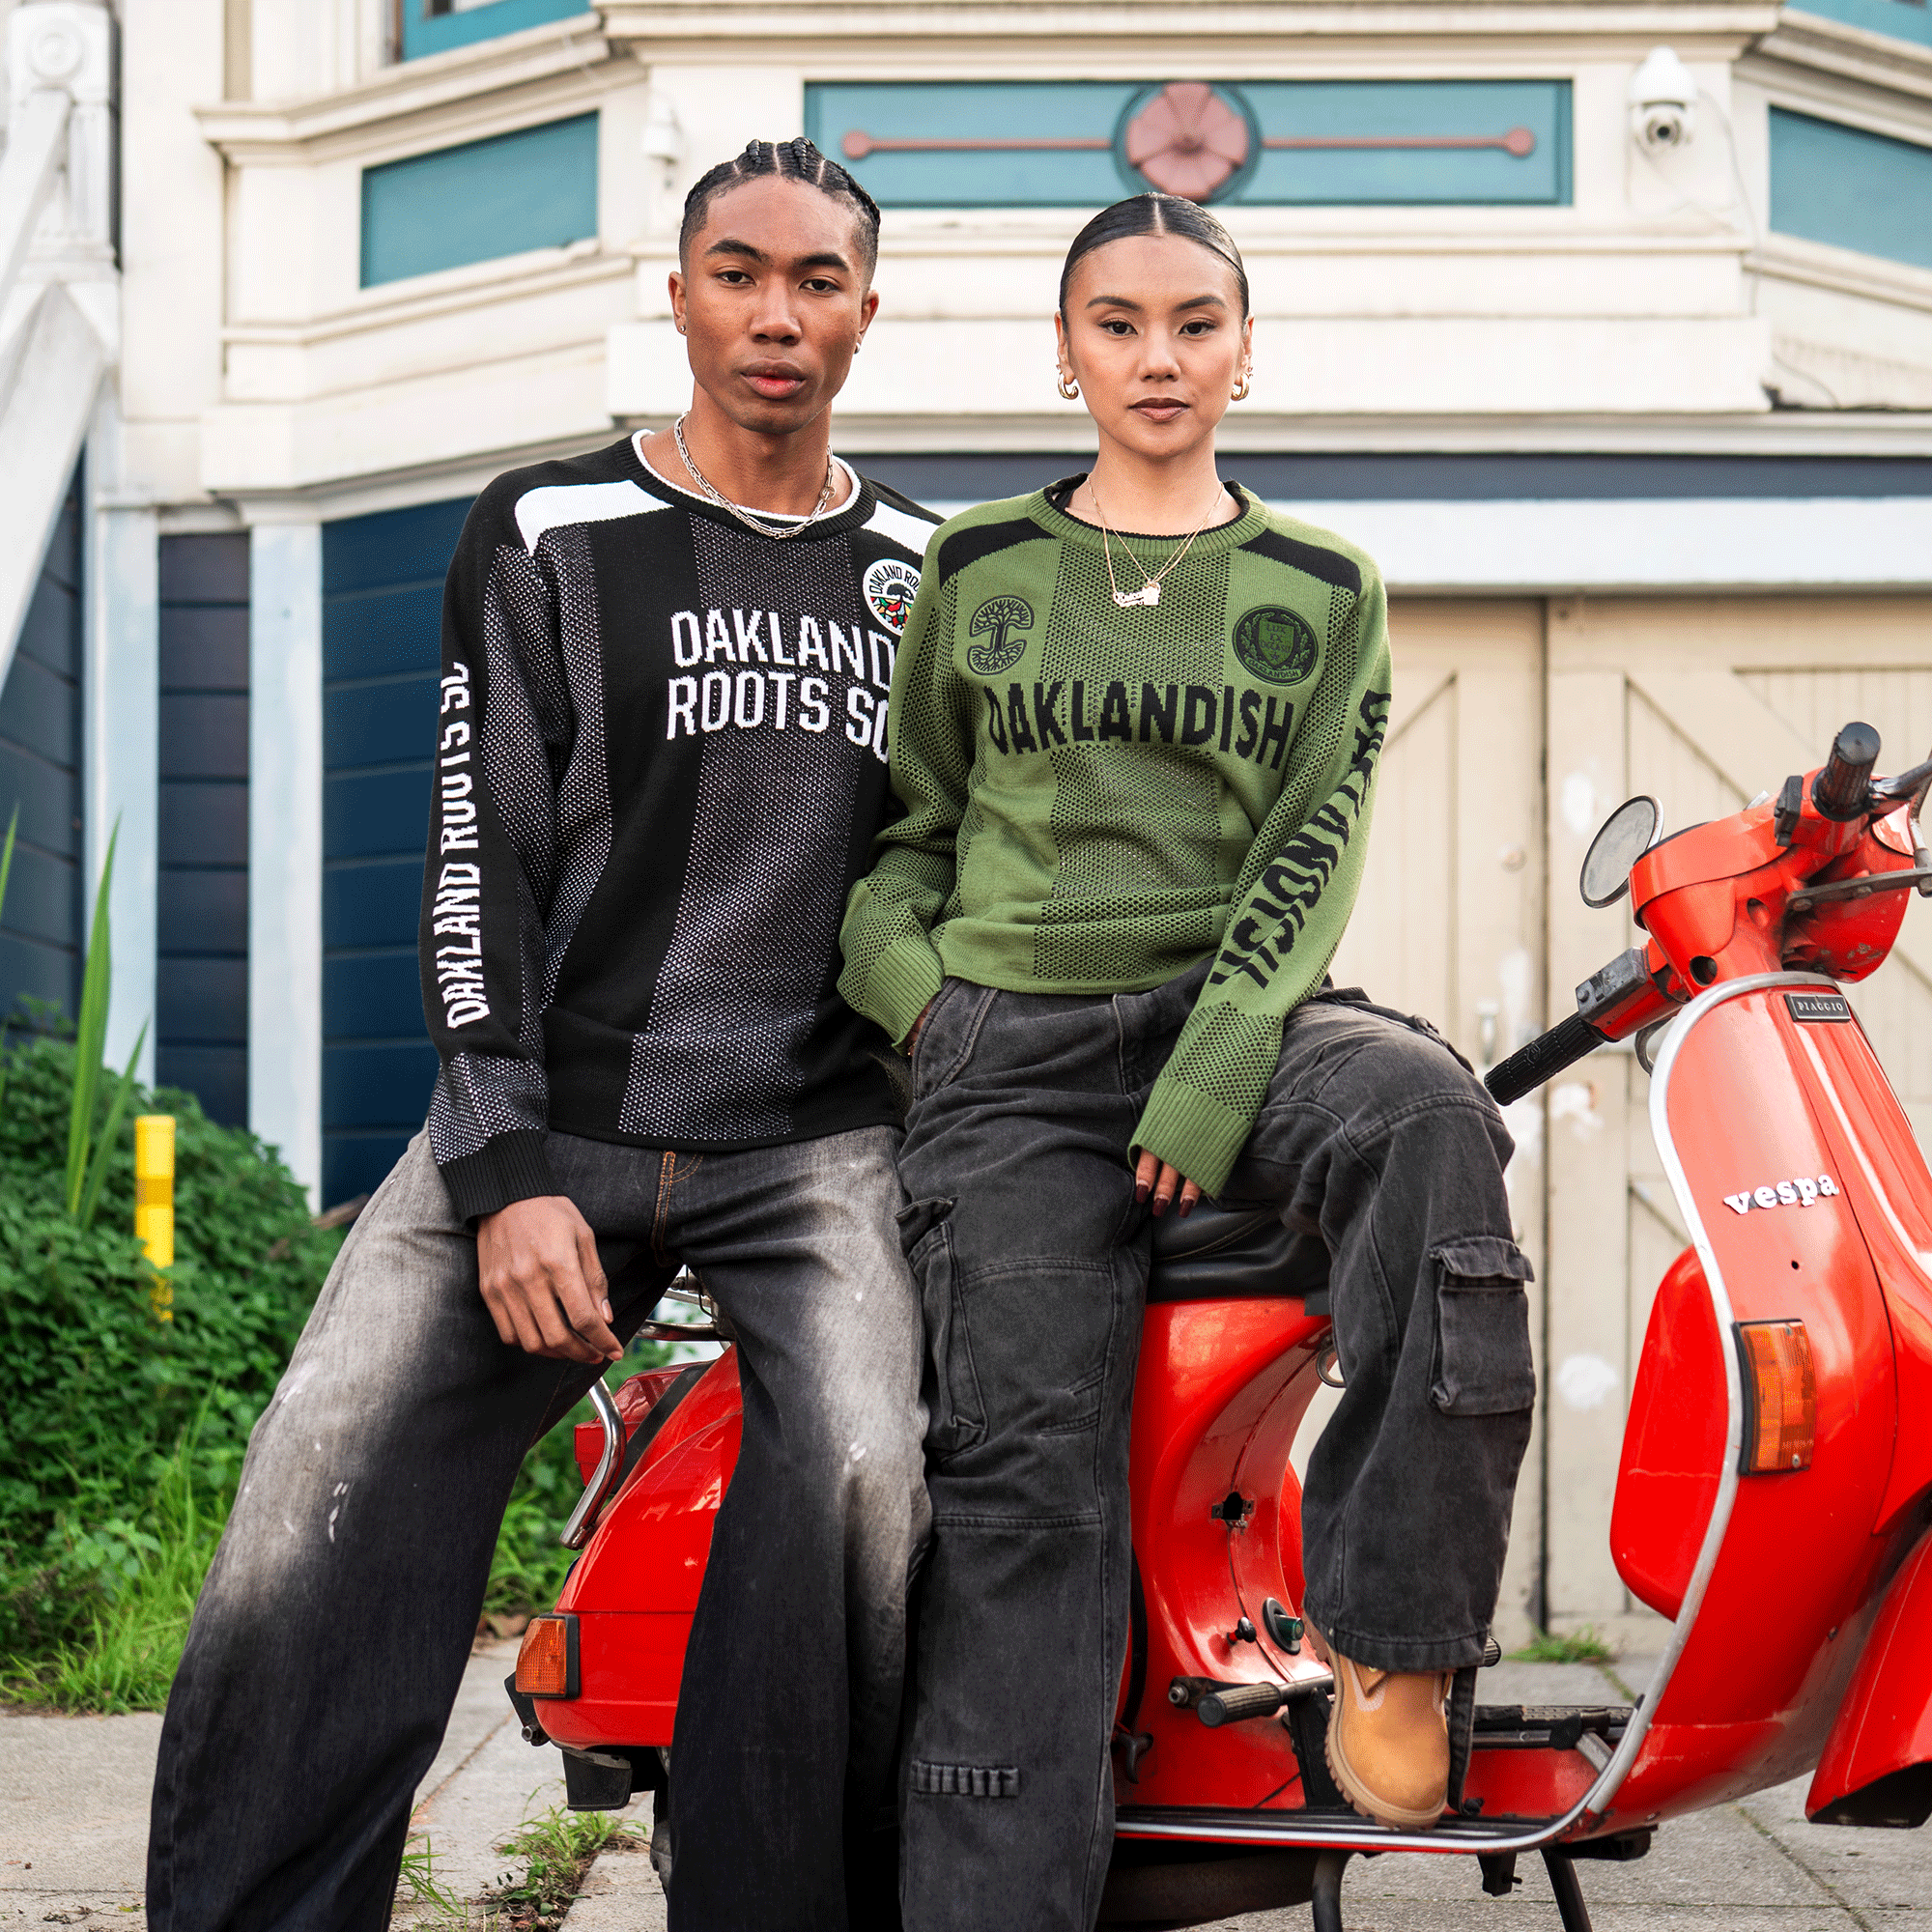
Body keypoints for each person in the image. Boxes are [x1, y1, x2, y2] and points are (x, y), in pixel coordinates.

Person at [147, 137, 939, 1932]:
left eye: (817, 281)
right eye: (739, 272)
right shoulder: (548, 531)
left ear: (864, 315)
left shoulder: (927, 571)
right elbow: (472, 863)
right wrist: (503, 1175)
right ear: (680, 296)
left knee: (868, 1488)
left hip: (812, 1138)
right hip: (551, 1111)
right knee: (318, 1483)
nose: (777, 313)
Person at [838, 192, 1535, 1930]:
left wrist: (1217, 1068)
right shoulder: (977, 569)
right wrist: (921, 1003)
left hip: (1244, 1013)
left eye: (1195, 323)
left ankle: (1398, 1642)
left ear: (1244, 349)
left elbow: (1310, 851)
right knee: (1022, 1495)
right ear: (1064, 350)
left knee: (1430, 1117)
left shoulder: (1324, 588)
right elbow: (912, 829)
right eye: (1119, 322)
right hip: (1007, 1047)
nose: (1159, 357)